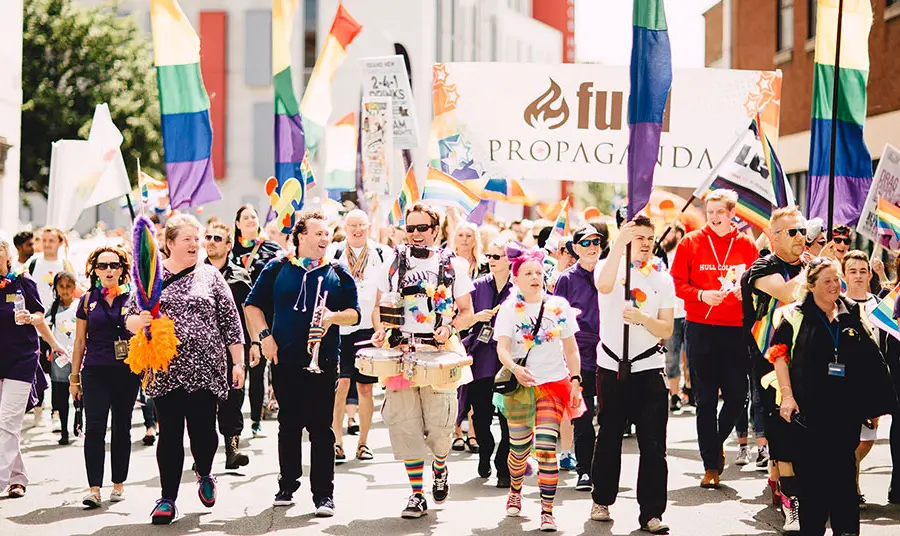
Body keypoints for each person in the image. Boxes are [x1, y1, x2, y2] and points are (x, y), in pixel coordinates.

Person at [126, 214, 246, 525]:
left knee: (204, 432)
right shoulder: (149, 277)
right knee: (170, 434)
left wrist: (238, 361)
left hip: (207, 368)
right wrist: (142, 320)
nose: (197, 244)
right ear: (168, 243)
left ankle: (205, 472)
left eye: (198, 238)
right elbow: (128, 318)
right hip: (166, 369)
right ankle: (167, 498)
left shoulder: (210, 276)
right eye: (188, 239)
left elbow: (231, 321)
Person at [766, 257, 897, 536]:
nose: (834, 286)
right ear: (811, 285)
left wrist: (872, 404)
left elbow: (869, 359)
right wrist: (787, 396)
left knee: (844, 480)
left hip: (844, 413)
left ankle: (847, 531)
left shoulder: (851, 312)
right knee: (812, 481)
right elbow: (778, 354)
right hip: (808, 414)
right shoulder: (795, 315)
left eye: (837, 280)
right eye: (827, 281)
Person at [244, 209, 360, 516]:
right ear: (300, 236)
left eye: (326, 233)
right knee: (289, 424)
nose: (324, 238)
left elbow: (355, 314)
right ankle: (288, 484)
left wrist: (333, 317)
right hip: (285, 360)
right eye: (318, 233)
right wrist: (264, 336)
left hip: (323, 361)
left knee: (322, 428)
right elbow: (252, 306)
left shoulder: (338, 271)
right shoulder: (278, 267)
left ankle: (324, 494)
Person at [371, 202, 475, 519]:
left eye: (421, 228)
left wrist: (448, 327)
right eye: (410, 228)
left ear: (434, 230)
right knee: (406, 427)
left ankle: (440, 466)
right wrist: (380, 331)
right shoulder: (391, 263)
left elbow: (467, 312)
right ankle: (416, 494)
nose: (415, 234)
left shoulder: (453, 265)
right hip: (401, 353)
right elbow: (378, 309)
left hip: (439, 354)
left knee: (441, 429)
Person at [670, 189, 759, 488]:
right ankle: (711, 466)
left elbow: (758, 282)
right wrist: (701, 294)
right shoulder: (691, 241)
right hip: (700, 328)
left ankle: (716, 440)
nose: (714, 217)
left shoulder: (745, 244)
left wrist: (743, 290)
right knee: (705, 400)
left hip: (736, 328)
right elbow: (678, 283)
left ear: (732, 213)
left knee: (737, 397)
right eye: (710, 212)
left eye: (720, 212)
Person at [590, 216, 673, 534]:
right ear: (625, 239)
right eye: (638, 237)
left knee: (653, 444)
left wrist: (642, 319)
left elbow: (666, 327)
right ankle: (602, 499)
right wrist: (619, 245)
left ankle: (652, 513)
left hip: (649, 367)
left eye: (650, 238)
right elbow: (604, 285)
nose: (646, 243)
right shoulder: (609, 266)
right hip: (612, 367)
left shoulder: (662, 278)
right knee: (609, 435)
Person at [494, 245, 584, 533]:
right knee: (519, 450)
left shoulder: (559, 306)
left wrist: (576, 380)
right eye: (527, 273)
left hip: (553, 384)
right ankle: (516, 491)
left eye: (538, 272)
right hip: (521, 386)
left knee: (546, 449)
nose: (535, 277)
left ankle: (547, 511)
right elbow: (502, 347)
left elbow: (571, 349)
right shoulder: (509, 308)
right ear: (516, 279)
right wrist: (515, 369)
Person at [740, 206, 807, 531]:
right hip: (770, 362)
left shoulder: (809, 264)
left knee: (803, 430)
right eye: (793, 232)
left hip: (807, 360)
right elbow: (787, 292)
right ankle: (790, 501)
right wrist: (821, 270)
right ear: (774, 236)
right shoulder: (762, 267)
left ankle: (777, 482)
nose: (801, 237)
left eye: (803, 230)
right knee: (782, 428)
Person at [68, 246, 140, 508]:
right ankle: (94, 489)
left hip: (127, 371)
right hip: (95, 370)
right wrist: (74, 378)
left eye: (114, 265)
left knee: (122, 427)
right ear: (94, 270)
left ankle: (118, 484)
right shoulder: (87, 300)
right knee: (95, 428)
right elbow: (79, 342)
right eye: (102, 266)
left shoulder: (134, 299)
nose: (108, 270)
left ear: (122, 269)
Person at [326, 209, 390, 464]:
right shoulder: (334, 252)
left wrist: (381, 327)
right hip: (340, 327)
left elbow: (385, 292)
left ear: (368, 227)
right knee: (340, 385)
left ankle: (363, 442)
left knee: (365, 387)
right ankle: (337, 441)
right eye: (352, 225)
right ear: (345, 226)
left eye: (361, 225)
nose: (356, 230)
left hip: (367, 327)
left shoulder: (382, 253)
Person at [0, 233, 58, 498]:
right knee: (3, 425)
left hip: (21, 360)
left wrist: (31, 319)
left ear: (7, 256)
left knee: (8, 423)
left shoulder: (22, 280)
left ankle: (0, 479)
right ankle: (17, 477)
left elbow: (39, 313)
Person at [553, 224, 605, 491]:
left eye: (596, 242)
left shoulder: (610, 273)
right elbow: (556, 319)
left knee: (608, 417)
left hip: (609, 354)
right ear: (574, 248)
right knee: (582, 417)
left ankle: (604, 469)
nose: (592, 247)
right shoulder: (566, 279)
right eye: (585, 243)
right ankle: (585, 470)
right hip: (578, 355)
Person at [458, 238, 513, 488]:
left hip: (507, 361)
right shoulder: (478, 285)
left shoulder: (518, 289)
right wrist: (477, 318)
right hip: (481, 360)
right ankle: (485, 451)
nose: (490, 261)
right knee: (480, 416)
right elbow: (463, 317)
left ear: (509, 260)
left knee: (507, 418)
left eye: (496, 257)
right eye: (488, 256)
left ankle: (503, 467)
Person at [231, 204, 283, 438]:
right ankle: (233, 421)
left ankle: (256, 419)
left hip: (264, 315)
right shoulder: (229, 251)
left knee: (259, 367)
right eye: (245, 217)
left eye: (254, 216)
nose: (251, 220)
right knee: (239, 367)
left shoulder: (272, 250)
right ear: (238, 223)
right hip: (236, 316)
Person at [204, 222, 252, 470]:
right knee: (203, 404)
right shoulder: (195, 273)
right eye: (208, 237)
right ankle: (204, 456)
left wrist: (253, 344)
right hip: (202, 352)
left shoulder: (240, 277)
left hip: (232, 349)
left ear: (229, 245)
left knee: (233, 399)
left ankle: (232, 450)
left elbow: (250, 313)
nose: (211, 241)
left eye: (218, 238)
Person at [841, 250, 882, 510]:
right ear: (844, 275)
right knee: (846, 437)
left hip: (873, 381)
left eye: (862, 271)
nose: (857, 276)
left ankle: (848, 480)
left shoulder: (879, 305)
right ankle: (851, 487)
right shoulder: (837, 304)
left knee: (867, 439)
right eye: (852, 271)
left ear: (869, 274)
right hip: (843, 383)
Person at [36, 271, 79, 445]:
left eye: (69, 286)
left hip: (77, 358)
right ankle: (63, 430)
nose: (65, 290)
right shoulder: (53, 309)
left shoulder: (79, 306)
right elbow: (43, 329)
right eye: (61, 286)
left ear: (74, 287)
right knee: (61, 396)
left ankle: (78, 422)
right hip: (59, 360)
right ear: (56, 288)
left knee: (79, 395)